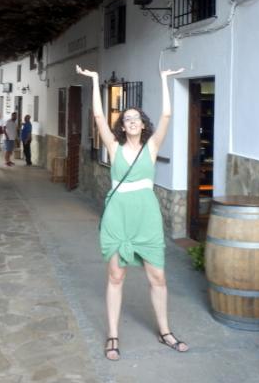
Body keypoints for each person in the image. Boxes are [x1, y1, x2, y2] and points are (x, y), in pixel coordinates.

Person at [76, 64, 187, 361]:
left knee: (158, 277)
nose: (132, 121)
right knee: (115, 275)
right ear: (122, 127)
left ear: (143, 124)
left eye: (136, 117)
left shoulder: (151, 147)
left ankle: (165, 332)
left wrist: (164, 79)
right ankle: (113, 336)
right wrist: (96, 80)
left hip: (145, 215)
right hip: (118, 214)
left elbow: (167, 115)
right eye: (127, 119)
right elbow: (99, 116)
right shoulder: (114, 147)